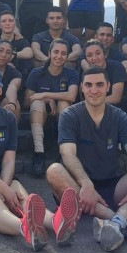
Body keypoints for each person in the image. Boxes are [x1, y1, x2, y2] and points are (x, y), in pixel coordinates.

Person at [0, 67, 82, 251]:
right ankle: (26, 228)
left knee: (25, 200)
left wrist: (4, 187)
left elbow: (8, 160)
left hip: (2, 175)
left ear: (1, 90)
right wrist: (2, 190)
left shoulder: (8, 118)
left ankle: (57, 223)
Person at [46, 66, 127, 251]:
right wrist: (86, 184)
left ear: (108, 86)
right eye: (89, 85)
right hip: (78, 188)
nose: (94, 90)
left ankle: (115, 223)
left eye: (100, 84)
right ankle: (126, 221)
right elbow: (67, 155)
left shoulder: (120, 117)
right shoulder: (69, 115)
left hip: (112, 187)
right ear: (82, 87)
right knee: (54, 171)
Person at [25, 39, 79, 176]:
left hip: (62, 113)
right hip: (42, 114)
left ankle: (64, 152)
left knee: (64, 103)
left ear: (67, 57)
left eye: (63, 53)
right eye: (56, 52)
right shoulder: (36, 73)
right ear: (49, 53)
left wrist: (45, 94)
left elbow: (72, 96)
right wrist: (47, 99)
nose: (59, 56)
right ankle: (39, 153)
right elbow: (27, 100)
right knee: (37, 102)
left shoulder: (71, 73)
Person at [83, 40, 127, 129]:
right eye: (89, 55)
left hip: (119, 113)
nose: (94, 58)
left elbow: (116, 98)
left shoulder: (116, 67)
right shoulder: (86, 73)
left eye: (98, 53)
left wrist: (91, 103)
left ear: (105, 55)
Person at [0, 10, 34, 80]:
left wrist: (13, 55)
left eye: (11, 21)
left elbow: (29, 53)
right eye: (4, 21)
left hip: (18, 73)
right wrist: (4, 61)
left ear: (15, 24)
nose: (7, 23)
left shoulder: (21, 40)